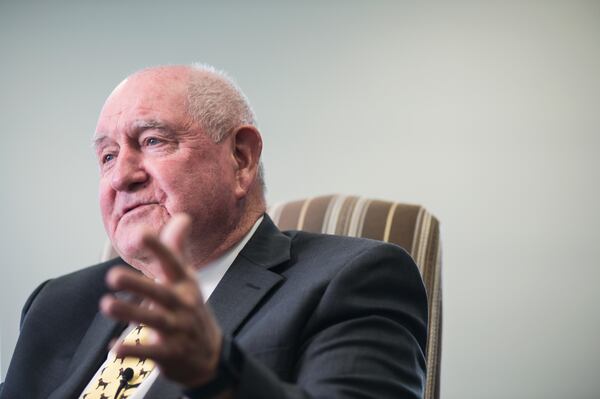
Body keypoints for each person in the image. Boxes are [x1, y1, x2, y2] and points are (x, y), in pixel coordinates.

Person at [0, 64, 428, 399]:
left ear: (241, 158)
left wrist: (218, 374)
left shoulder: (353, 279)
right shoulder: (59, 303)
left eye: (151, 141)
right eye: (108, 156)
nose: (121, 177)